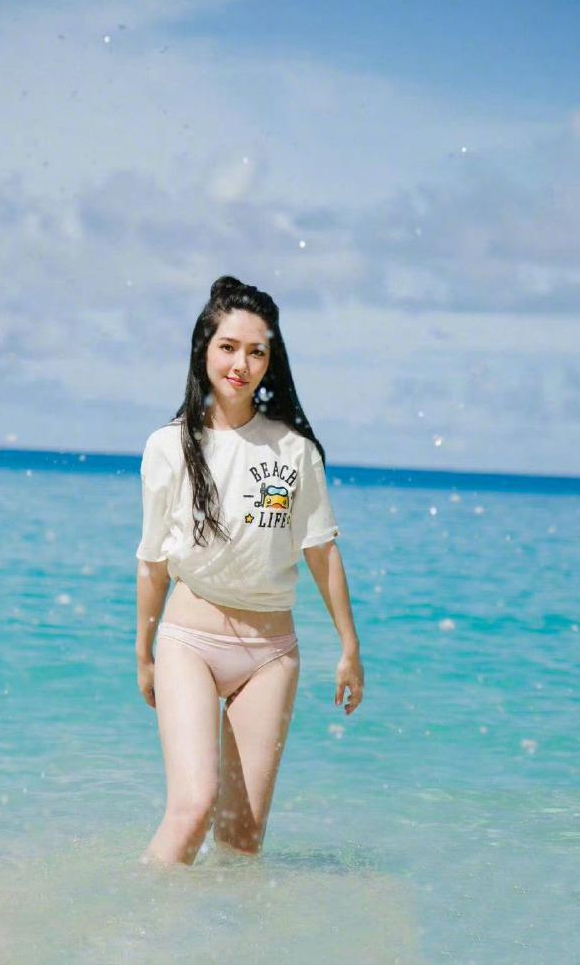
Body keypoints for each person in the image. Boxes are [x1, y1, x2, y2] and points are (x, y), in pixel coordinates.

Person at [135, 275, 364, 866]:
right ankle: (133, 919)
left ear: (271, 360)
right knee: (193, 806)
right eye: (228, 347)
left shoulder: (295, 451)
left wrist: (349, 647)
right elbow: (153, 562)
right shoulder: (168, 446)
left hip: (270, 654)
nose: (241, 364)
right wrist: (144, 653)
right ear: (204, 350)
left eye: (256, 351)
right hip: (189, 642)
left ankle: (219, 927)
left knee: (242, 841)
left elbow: (321, 551)